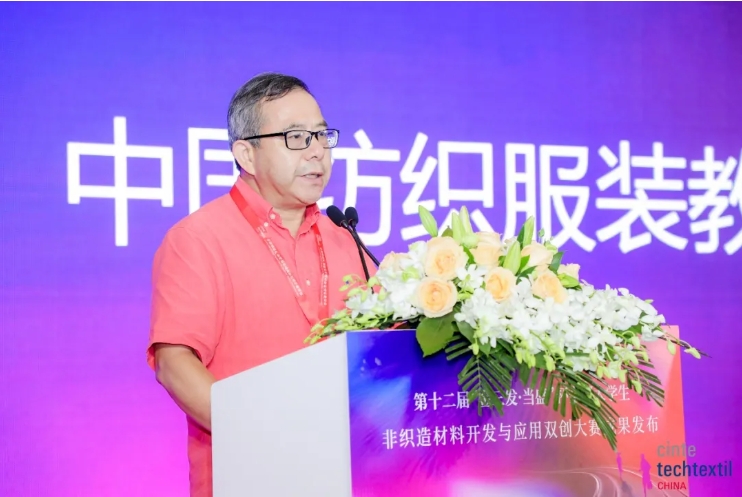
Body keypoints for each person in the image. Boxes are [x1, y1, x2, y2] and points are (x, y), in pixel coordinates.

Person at [146, 72, 374, 497]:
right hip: (250, 475)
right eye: (296, 137)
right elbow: (173, 363)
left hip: (352, 475)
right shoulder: (198, 240)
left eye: (322, 136)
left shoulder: (347, 240)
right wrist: (269, 437)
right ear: (246, 155)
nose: (317, 152)